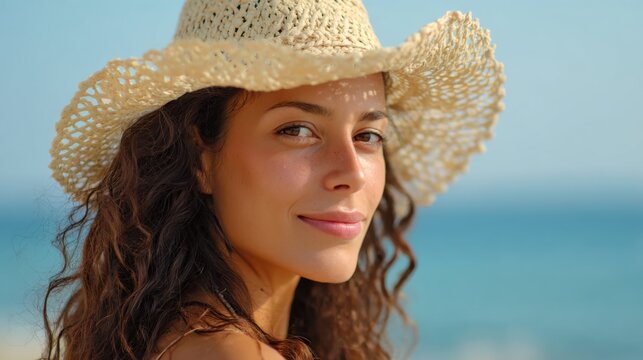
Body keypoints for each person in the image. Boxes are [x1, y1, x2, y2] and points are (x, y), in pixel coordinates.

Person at [43, 1, 506, 359]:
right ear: (200, 157)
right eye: (298, 131)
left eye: (368, 135)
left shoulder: (185, 336)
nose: (350, 171)